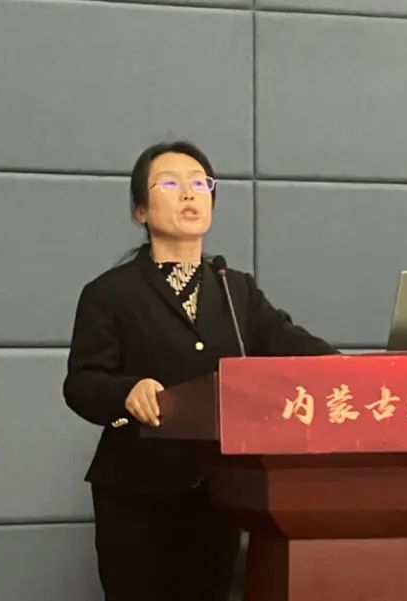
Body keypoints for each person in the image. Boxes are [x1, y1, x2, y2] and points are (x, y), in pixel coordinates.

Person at [63, 140, 339, 601]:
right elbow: (82, 383)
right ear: (140, 210)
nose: (190, 193)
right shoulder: (110, 293)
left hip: (221, 489)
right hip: (136, 490)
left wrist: (349, 371)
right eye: (170, 184)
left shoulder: (234, 288)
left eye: (200, 183)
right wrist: (127, 392)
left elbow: (292, 345)